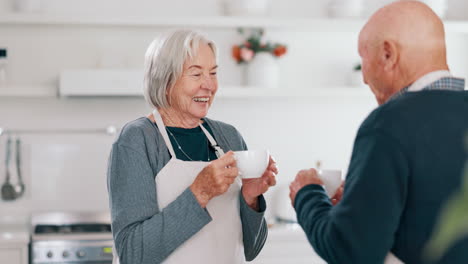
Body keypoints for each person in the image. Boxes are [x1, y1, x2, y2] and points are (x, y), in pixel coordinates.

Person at [289, 1, 468, 264]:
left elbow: (351, 251)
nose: (363, 77)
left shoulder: (388, 124)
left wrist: (307, 195)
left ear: (387, 54)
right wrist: (361, 202)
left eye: (363, 58)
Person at [107, 29, 277, 264]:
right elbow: (133, 253)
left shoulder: (229, 136)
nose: (209, 85)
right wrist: (200, 192)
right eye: (196, 74)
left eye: (213, 73)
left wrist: (251, 197)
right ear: (165, 81)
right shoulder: (137, 140)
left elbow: (252, 249)